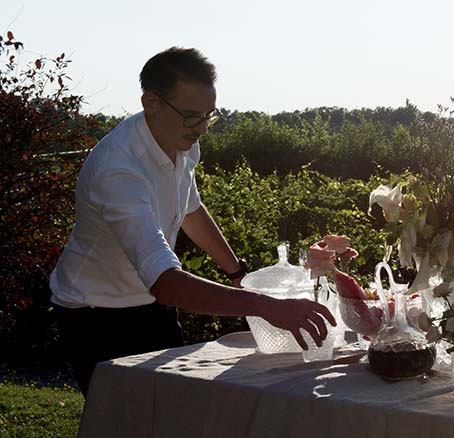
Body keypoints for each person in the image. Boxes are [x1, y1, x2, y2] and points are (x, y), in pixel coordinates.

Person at [48, 47, 334, 397]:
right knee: (122, 429)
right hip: (95, 317)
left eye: (208, 116)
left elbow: (190, 211)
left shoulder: (182, 141)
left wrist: (238, 275)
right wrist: (264, 305)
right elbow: (165, 281)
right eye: (190, 116)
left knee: (176, 412)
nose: (201, 129)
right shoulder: (118, 169)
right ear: (150, 102)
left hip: (152, 307)